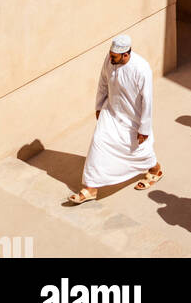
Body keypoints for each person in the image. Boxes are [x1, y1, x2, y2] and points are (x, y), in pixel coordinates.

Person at [68, 35, 162, 204]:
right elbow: (103, 82)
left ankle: (155, 170)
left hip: (132, 117)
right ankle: (91, 188)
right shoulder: (110, 60)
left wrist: (144, 128)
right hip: (110, 112)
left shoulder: (142, 68)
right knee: (98, 142)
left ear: (125, 55)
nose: (110, 58)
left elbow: (148, 100)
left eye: (114, 56)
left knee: (137, 150)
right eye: (110, 54)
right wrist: (98, 106)